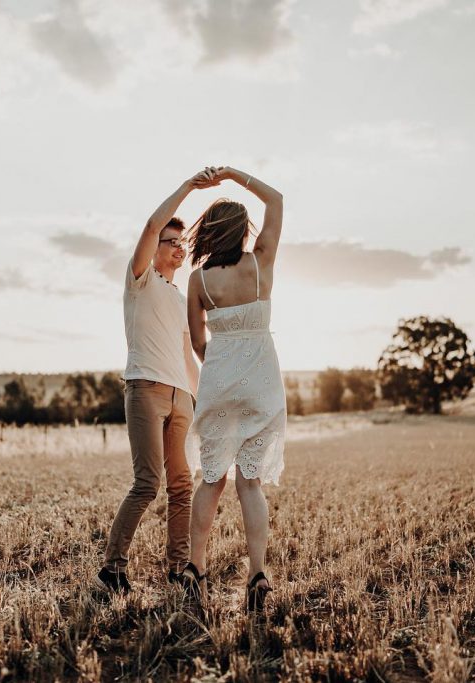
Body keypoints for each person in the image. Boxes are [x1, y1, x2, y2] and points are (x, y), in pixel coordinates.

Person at [95, 168, 218, 594]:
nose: (180, 249)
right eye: (173, 241)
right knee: (148, 483)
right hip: (145, 390)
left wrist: (208, 399)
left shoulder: (181, 298)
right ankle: (113, 568)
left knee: (182, 485)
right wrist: (188, 187)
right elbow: (151, 225)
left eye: (182, 243)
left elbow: (188, 356)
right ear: (156, 246)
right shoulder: (140, 279)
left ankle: (179, 567)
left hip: (181, 396)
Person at [180, 166, 286, 613]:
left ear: (209, 232)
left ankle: (195, 568)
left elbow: (198, 342)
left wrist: (223, 370)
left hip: (219, 382)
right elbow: (277, 200)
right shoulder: (260, 263)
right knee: (250, 482)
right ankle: (257, 573)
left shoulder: (199, 281)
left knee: (211, 479)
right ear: (243, 231)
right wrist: (232, 175)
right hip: (263, 383)